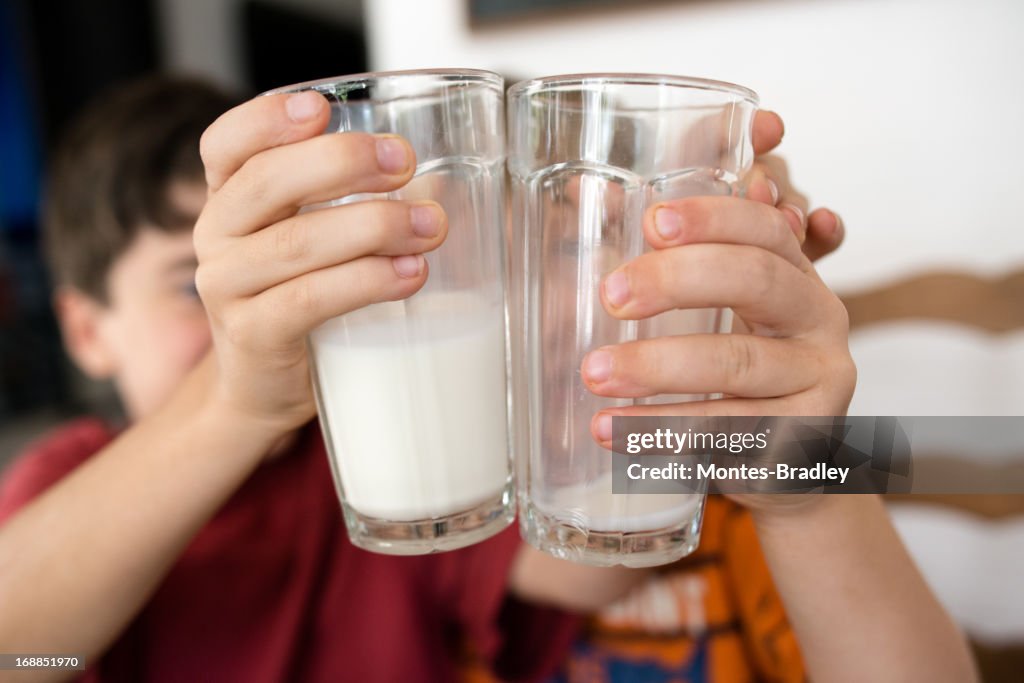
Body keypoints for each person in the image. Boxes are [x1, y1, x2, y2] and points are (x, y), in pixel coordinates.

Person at [0, 76, 976, 683]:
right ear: (84, 329)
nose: (247, 309)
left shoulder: (406, 456)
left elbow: (602, 540)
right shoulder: (73, 488)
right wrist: (237, 399)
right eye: (188, 285)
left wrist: (804, 464)